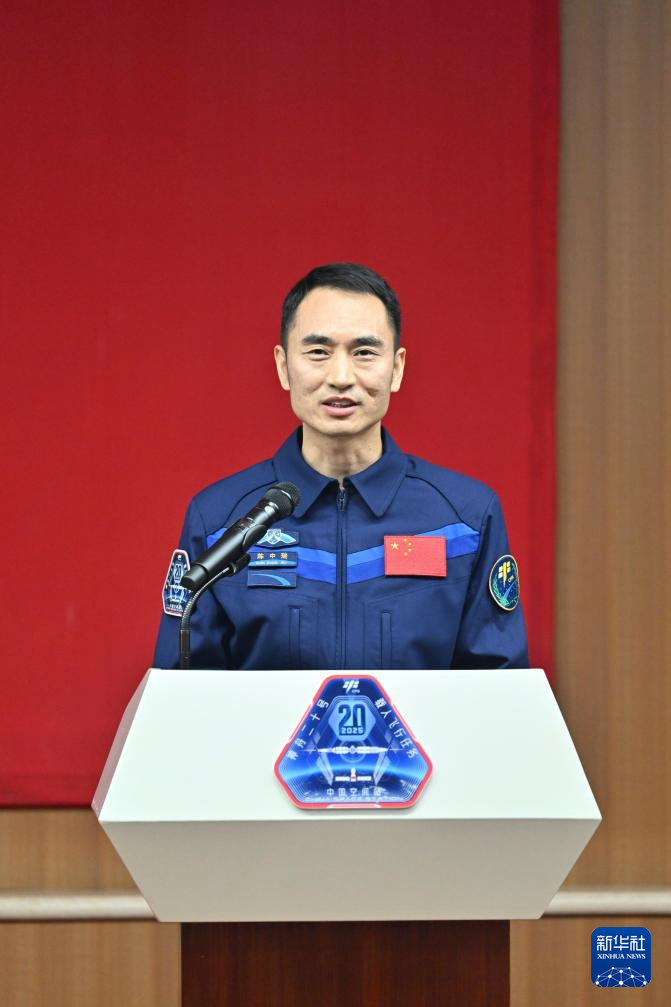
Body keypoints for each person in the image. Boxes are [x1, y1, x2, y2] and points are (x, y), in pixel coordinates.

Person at [154, 262, 528, 670]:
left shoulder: (465, 519)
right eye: (318, 352)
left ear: (397, 368)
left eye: (364, 353)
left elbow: (500, 687)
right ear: (283, 366)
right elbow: (182, 689)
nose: (341, 377)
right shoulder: (219, 519)